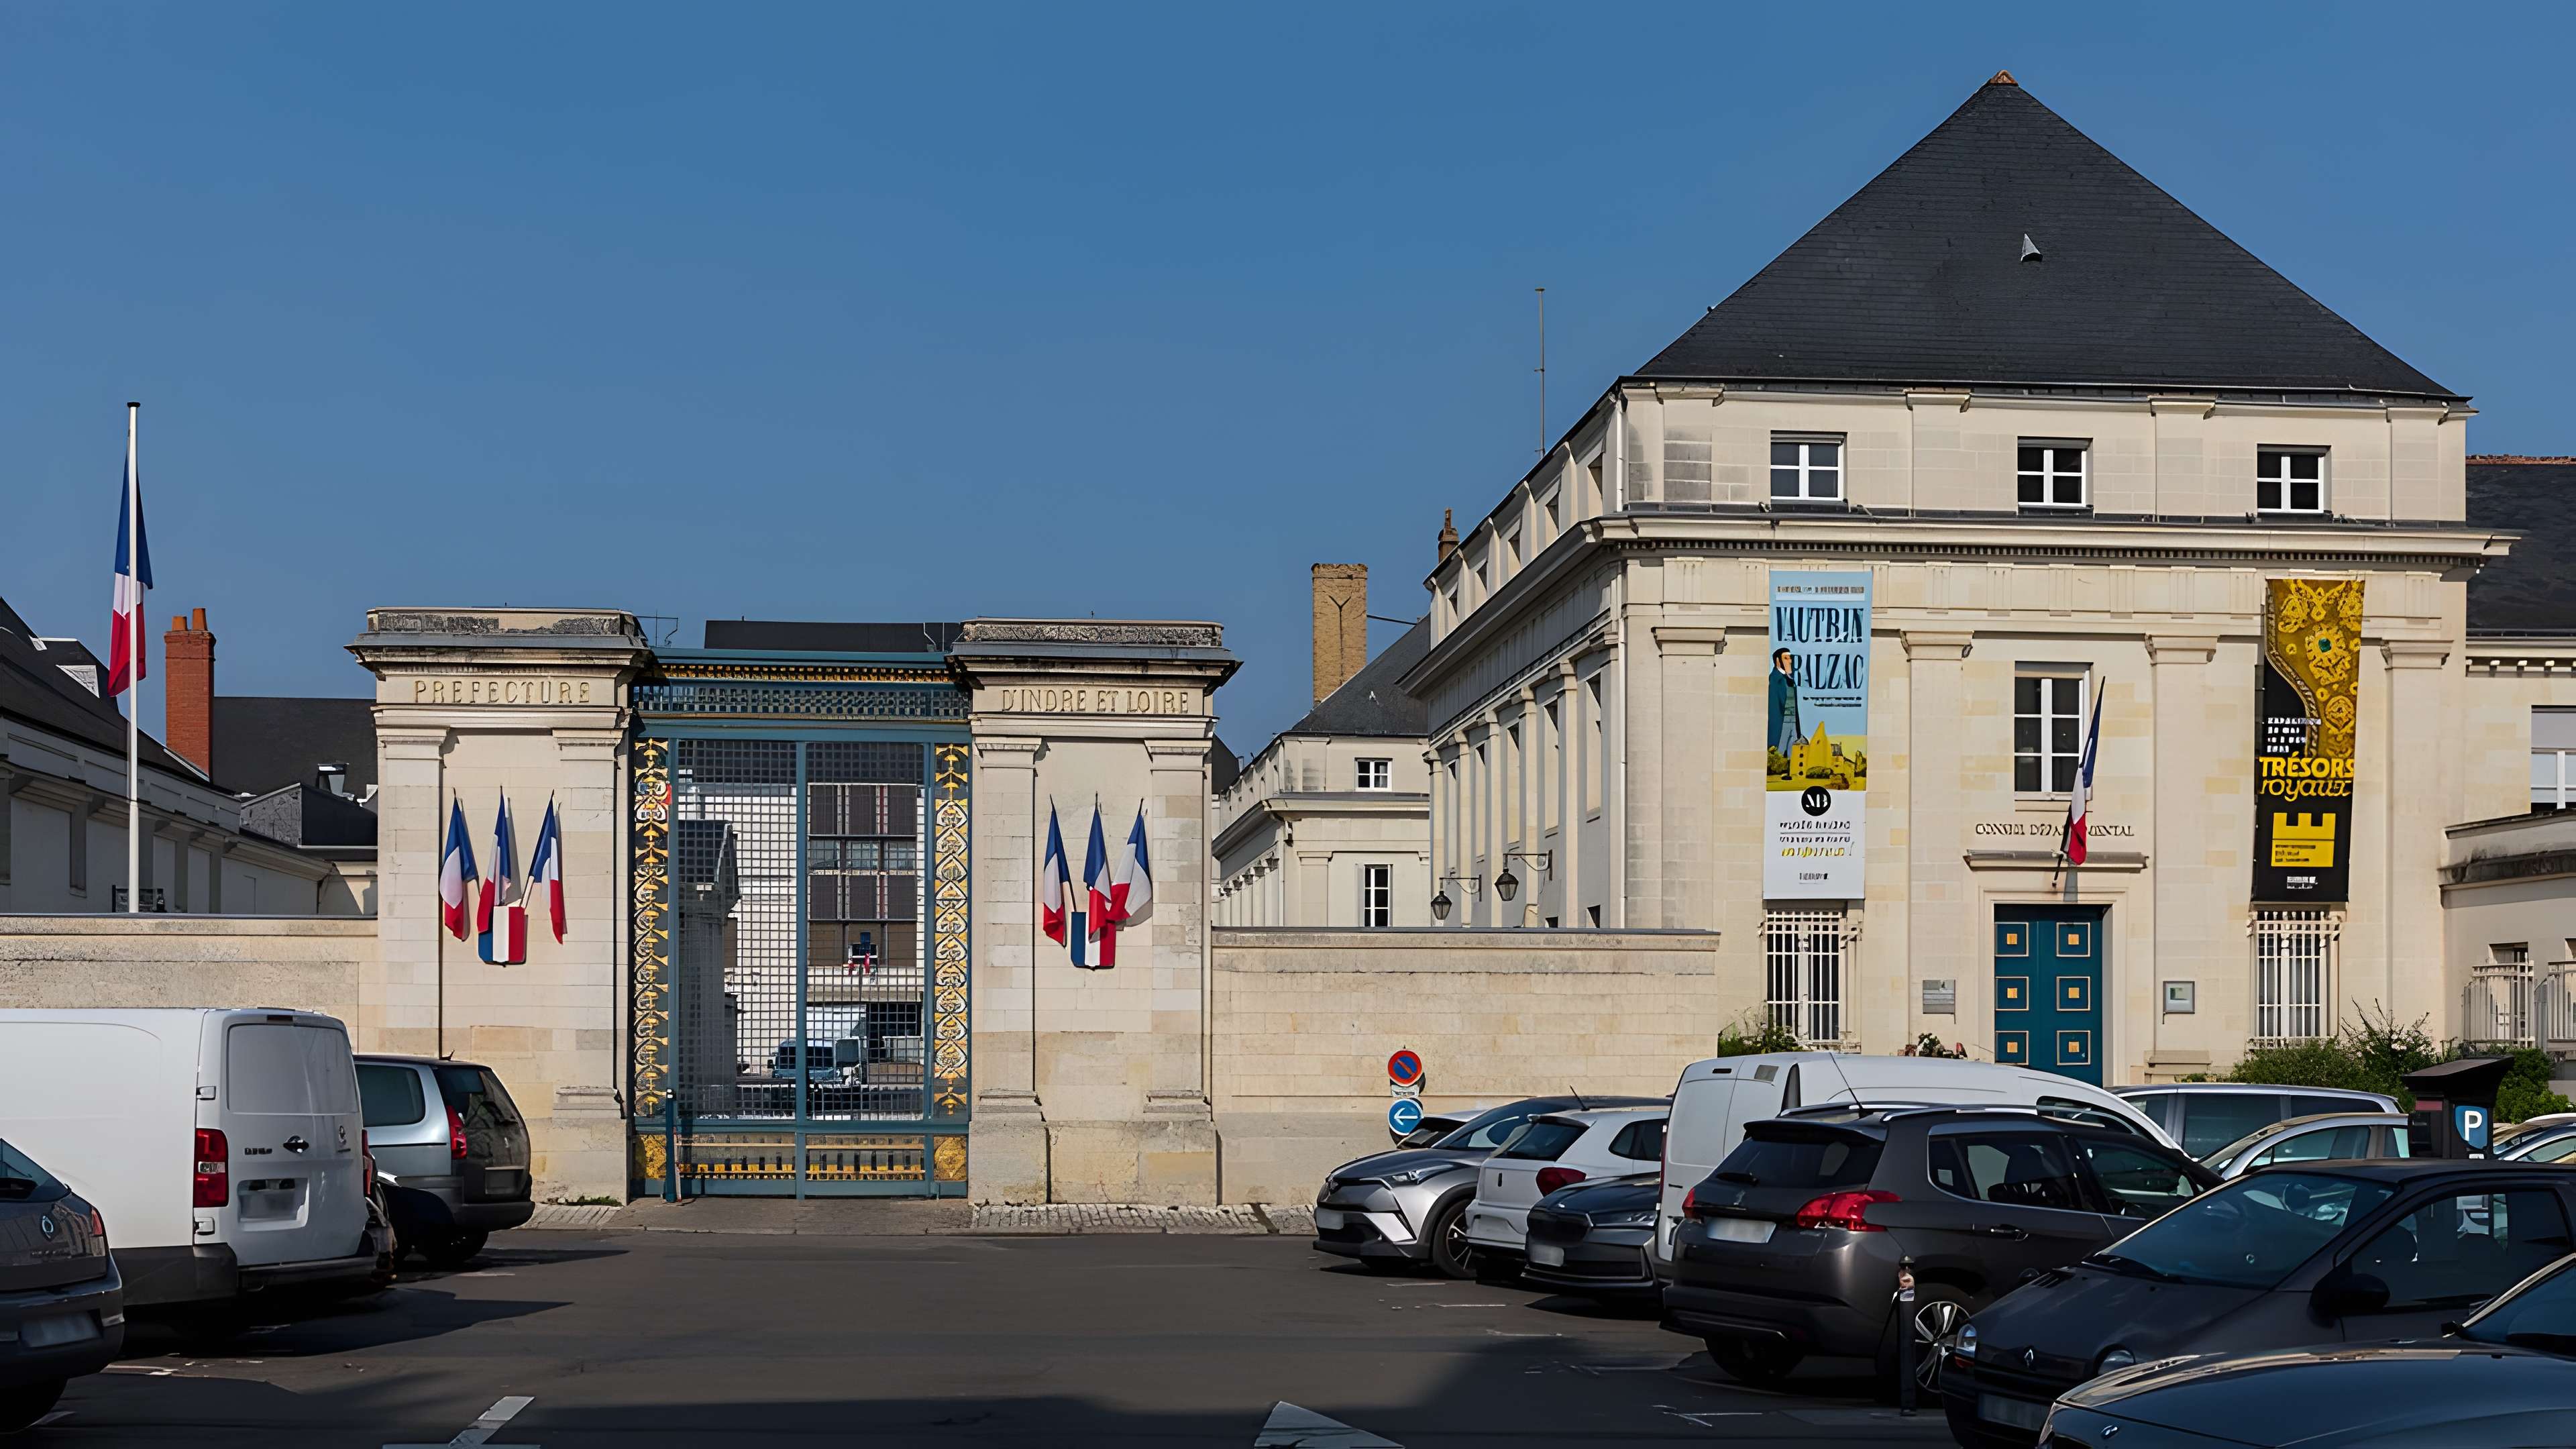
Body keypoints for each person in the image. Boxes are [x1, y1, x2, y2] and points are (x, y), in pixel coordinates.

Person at [1768, 648, 1803, 770]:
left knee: (1793, 751)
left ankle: (1789, 773)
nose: (1790, 661)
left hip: (1792, 721)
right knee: (1780, 750)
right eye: (1786, 658)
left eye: (1790, 658)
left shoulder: (1790, 680)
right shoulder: (1774, 678)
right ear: (1778, 661)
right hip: (1781, 722)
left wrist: (1798, 728)